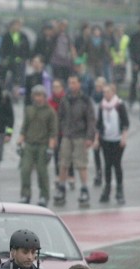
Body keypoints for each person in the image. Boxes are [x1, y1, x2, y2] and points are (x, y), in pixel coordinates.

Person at [55, 74, 96, 206]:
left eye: (74, 83)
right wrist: (57, 134)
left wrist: (90, 137)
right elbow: (59, 117)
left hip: (80, 136)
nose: (71, 85)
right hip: (67, 135)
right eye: (69, 83)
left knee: (81, 164)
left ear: (79, 84)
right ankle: (61, 187)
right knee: (63, 163)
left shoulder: (85, 100)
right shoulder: (65, 99)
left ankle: (84, 189)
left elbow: (91, 119)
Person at [16, 84, 57, 206]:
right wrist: (19, 142)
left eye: (40, 95)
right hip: (29, 144)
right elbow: (24, 128)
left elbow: (53, 132)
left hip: (43, 145)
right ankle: (25, 194)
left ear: (45, 96)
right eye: (36, 95)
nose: (38, 98)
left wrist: (50, 148)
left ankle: (44, 196)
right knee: (25, 170)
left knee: (42, 172)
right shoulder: (29, 109)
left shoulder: (50, 112)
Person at [94, 83, 129, 204]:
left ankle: (120, 189)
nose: (105, 94)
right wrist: (97, 139)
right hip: (106, 139)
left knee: (117, 164)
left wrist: (124, 137)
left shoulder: (119, 105)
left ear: (113, 92)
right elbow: (98, 124)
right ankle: (107, 188)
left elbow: (125, 123)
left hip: (117, 139)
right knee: (107, 164)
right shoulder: (101, 106)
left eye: (108, 92)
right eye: (104, 92)